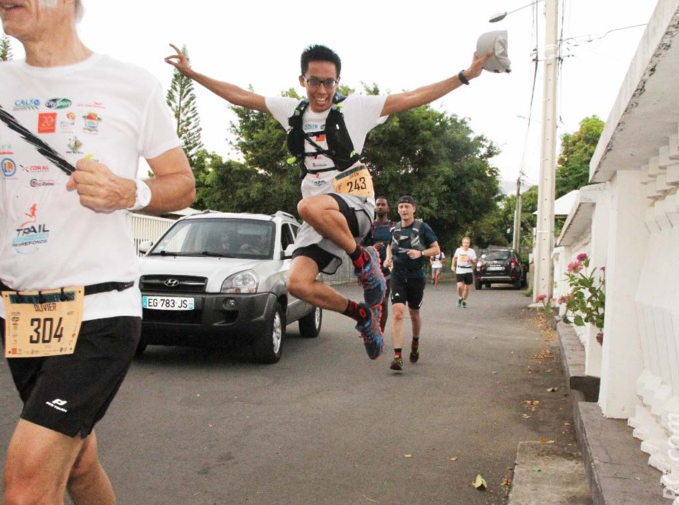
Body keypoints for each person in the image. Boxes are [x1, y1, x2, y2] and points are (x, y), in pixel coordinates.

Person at [0, 1, 195, 503]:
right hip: (21, 314)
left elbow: (182, 185)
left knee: (27, 487)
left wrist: (129, 192)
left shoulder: (132, 85)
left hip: (99, 312)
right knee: (78, 465)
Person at [165, 43, 490, 360]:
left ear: (338, 82)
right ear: (302, 81)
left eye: (329, 82)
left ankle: (364, 264)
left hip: (356, 201)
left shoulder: (356, 107)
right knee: (298, 283)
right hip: (322, 215)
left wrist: (465, 75)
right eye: (314, 82)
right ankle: (361, 315)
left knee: (307, 206)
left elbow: (411, 97)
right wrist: (191, 73)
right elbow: (241, 96)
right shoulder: (291, 110)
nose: (322, 90)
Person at [383, 196, 440, 371]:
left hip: (416, 276)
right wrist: (388, 258)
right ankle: (397, 356)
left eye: (407, 206)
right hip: (398, 276)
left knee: (414, 313)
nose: (404, 210)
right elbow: (389, 245)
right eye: (401, 207)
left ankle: (415, 342)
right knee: (398, 313)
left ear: (414, 209)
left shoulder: (423, 228)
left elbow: (436, 249)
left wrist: (421, 253)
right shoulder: (394, 229)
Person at [360, 196, 394, 333]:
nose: (380, 206)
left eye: (383, 204)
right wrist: (372, 247)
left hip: (387, 271)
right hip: (370, 271)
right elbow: (360, 249)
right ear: (375, 208)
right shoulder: (370, 227)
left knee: (384, 304)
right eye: (378, 204)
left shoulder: (393, 227)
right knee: (371, 304)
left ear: (387, 208)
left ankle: (380, 332)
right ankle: (371, 328)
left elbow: (397, 245)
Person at [451, 236, 478, 308]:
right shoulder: (458, 250)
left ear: (469, 244)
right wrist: (453, 266)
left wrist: (470, 259)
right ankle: (460, 297)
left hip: (468, 270)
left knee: (467, 288)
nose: (466, 244)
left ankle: (464, 301)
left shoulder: (471, 251)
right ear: (462, 243)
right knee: (459, 286)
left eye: (467, 243)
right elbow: (454, 258)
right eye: (465, 242)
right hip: (460, 269)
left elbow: (475, 261)